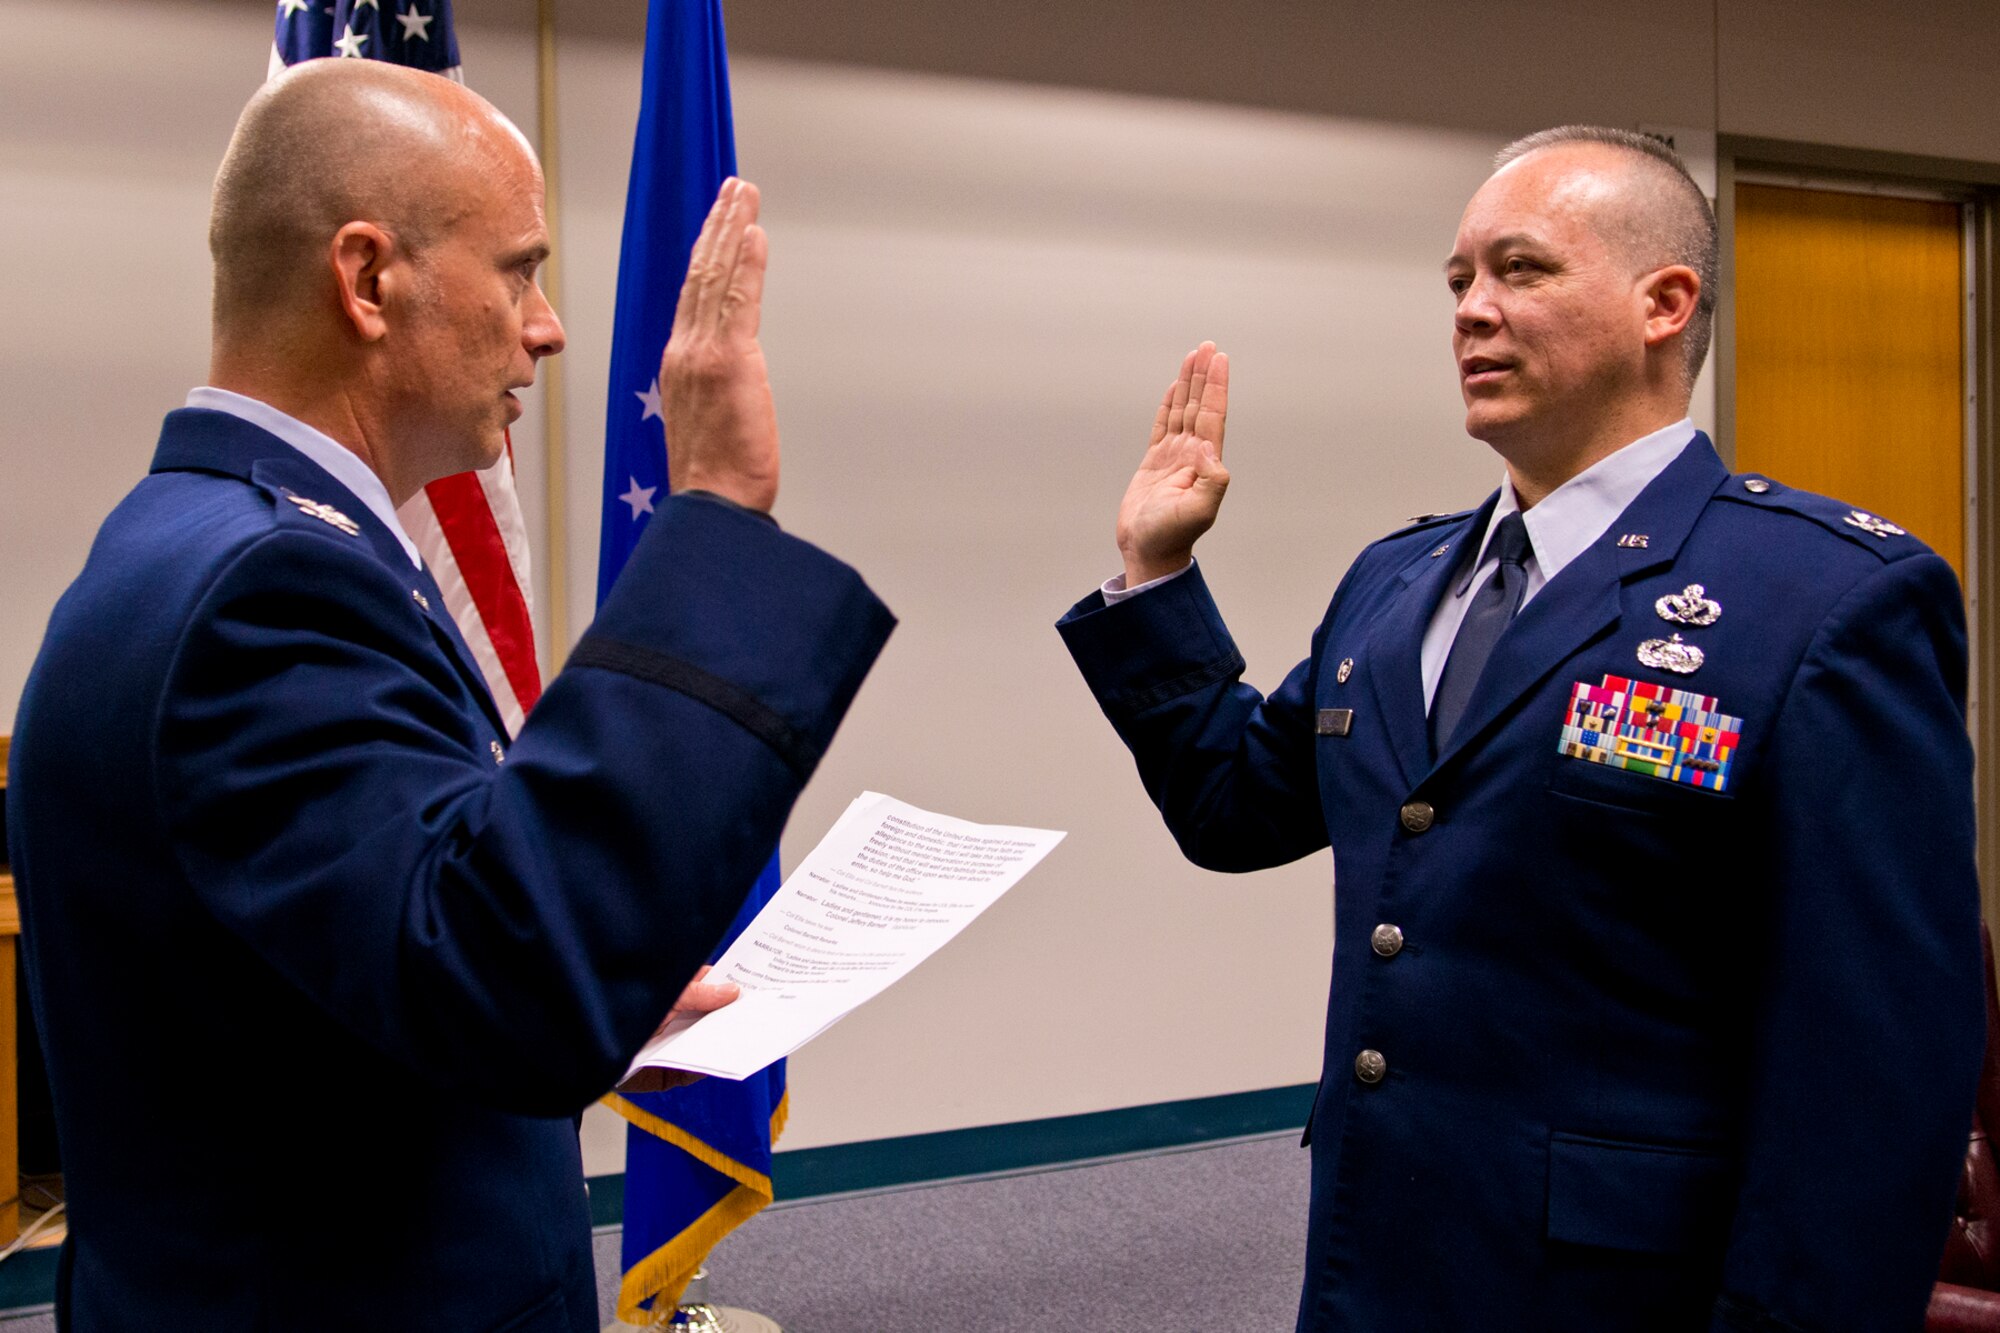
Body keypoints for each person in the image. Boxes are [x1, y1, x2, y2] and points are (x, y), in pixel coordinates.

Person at [7, 60, 892, 1331]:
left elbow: (374, 948)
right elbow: (506, 982)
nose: (550, 327)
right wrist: (712, 522)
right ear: (368, 281)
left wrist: (595, 986)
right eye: (521, 269)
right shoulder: (271, 588)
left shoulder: (188, 537)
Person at [1058, 126, 1983, 1331]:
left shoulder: (1821, 598)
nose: (1470, 311)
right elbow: (1236, 809)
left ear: (1663, 303)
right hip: (1376, 1248)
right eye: (1456, 281)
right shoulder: (1395, 585)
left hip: (1620, 1283)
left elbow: (1876, 1066)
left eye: (1520, 270)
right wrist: (1155, 575)